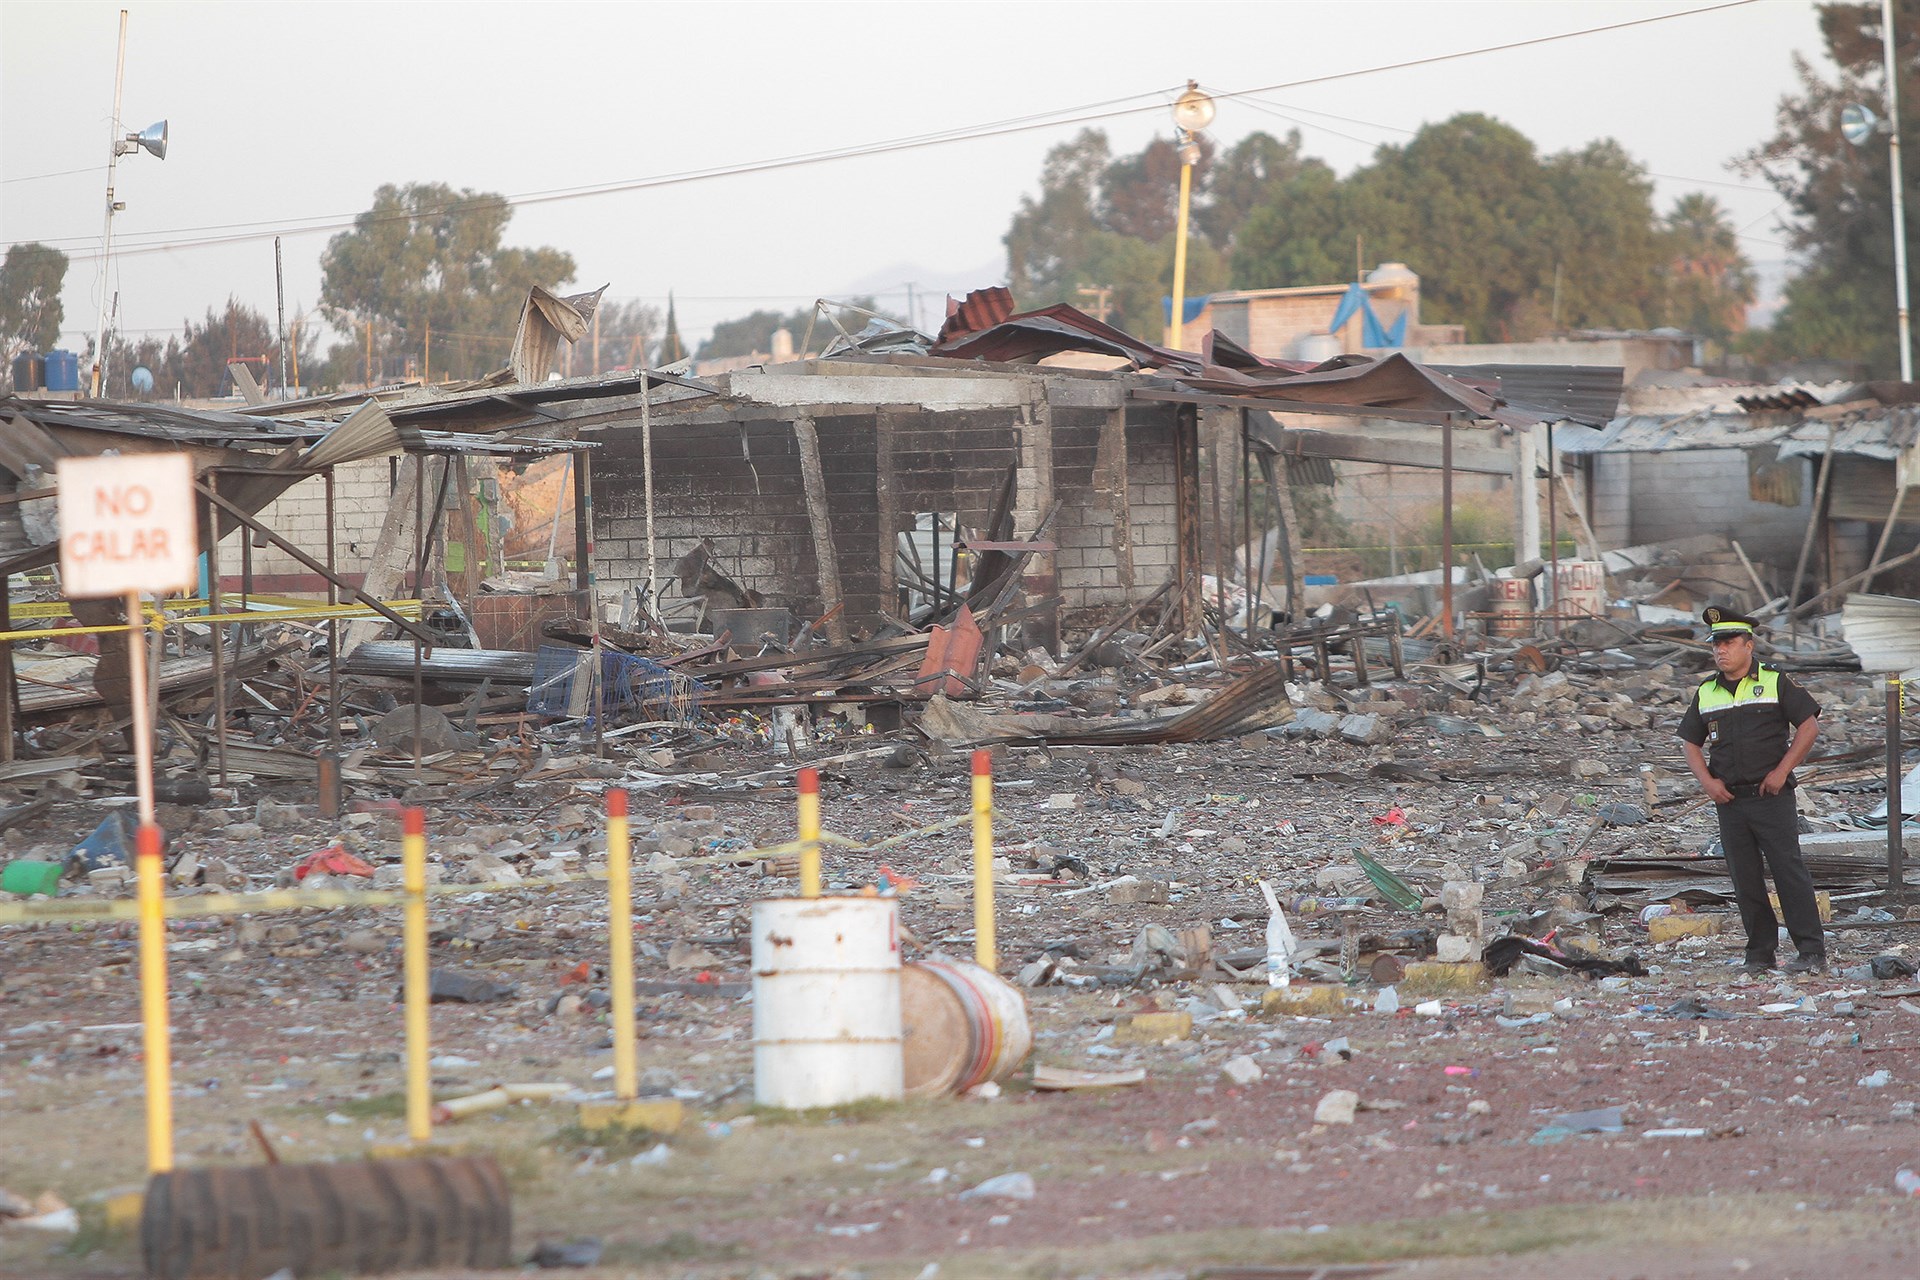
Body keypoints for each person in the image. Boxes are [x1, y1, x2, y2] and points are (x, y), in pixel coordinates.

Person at [1676, 607, 1826, 975]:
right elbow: (1690, 743)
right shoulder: (1707, 691)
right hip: (1731, 801)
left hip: (1771, 797)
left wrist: (1782, 771)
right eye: (1716, 645)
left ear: (1748, 644)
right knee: (1745, 879)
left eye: (1728, 643)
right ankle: (1760, 954)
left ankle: (1810, 952)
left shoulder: (1775, 681)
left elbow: (1808, 727)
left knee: (1788, 872)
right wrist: (1708, 783)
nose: (1720, 651)